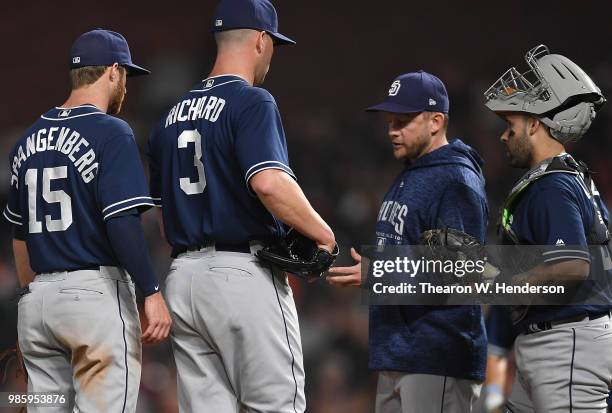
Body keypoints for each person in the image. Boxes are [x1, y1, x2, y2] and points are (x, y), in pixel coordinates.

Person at [146, 1, 335, 412]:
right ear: (262, 40)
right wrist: (324, 233)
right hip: (240, 276)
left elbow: (164, 223)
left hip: (182, 279)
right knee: (276, 406)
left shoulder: (167, 119)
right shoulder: (252, 101)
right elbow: (269, 183)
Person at [2, 29, 172, 412]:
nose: (126, 84)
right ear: (113, 71)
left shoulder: (25, 141)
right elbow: (121, 222)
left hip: (37, 307)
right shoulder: (111, 132)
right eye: (126, 74)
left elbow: (19, 234)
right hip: (93, 300)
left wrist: (37, 297)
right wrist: (151, 291)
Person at [328, 71, 488, 412]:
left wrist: (381, 274)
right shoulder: (413, 173)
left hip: (438, 352)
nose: (392, 131)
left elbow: (461, 273)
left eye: (403, 121)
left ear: (436, 121)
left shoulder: (455, 179)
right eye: (389, 121)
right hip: (399, 350)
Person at [483, 44, 612, 412]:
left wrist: (500, 280)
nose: (504, 137)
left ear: (536, 124)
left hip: (566, 343)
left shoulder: (553, 186)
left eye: (511, 126)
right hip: (555, 341)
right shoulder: (568, 177)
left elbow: (571, 266)